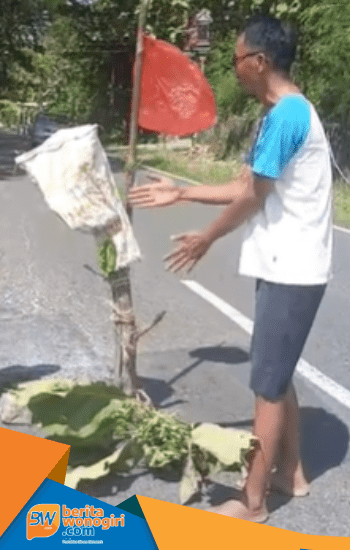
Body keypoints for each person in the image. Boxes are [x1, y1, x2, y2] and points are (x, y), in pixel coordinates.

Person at [129, 15, 331, 522]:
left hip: (294, 268)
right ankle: (291, 472)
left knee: (265, 382)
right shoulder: (278, 115)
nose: (234, 67)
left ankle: (254, 499)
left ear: (259, 62)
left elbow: (251, 199)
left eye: (238, 58)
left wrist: (205, 237)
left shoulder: (288, 116)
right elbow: (246, 183)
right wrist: (181, 191)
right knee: (278, 373)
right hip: (285, 264)